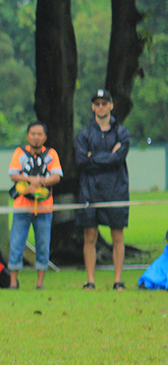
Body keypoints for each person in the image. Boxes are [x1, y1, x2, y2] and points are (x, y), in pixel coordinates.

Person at [75, 89, 130, 291]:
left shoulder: (121, 132)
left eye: (104, 103)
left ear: (111, 106)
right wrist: (108, 155)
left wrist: (94, 157)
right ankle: (90, 281)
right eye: (97, 103)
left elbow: (118, 159)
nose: (100, 107)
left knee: (117, 235)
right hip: (90, 189)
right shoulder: (84, 134)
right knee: (90, 235)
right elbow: (81, 161)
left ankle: (118, 280)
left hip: (116, 189)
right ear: (93, 106)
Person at [8, 121, 63, 290]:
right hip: (22, 206)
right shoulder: (20, 153)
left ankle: (40, 283)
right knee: (16, 243)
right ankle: (13, 282)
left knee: (43, 244)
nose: (36, 137)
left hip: (44, 207)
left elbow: (56, 176)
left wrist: (41, 182)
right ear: (27, 136)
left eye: (39, 134)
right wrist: (30, 181)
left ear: (45, 137)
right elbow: (13, 174)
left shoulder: (51, 154)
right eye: (33, 134)